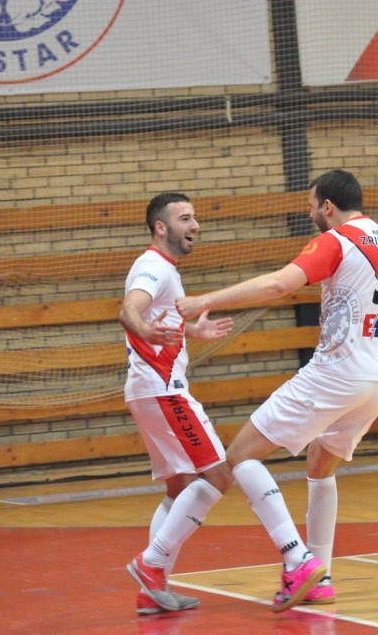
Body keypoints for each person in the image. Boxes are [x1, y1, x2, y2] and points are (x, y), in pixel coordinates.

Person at [176, 169, 378, 612]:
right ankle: (321, 575)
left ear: (328, 207)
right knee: (320, 465)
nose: (311, 213)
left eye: (312, 206)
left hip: (337, 374)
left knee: (239, 458)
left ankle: (299, 562)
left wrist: (207, 300)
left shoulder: (336, 240)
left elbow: (280, 284)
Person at [119, 192, 236, 614]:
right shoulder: (154, 266)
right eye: (185, 218)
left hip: (148, 389)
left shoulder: (164, 268)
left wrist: (191, 333)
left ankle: (152, 590)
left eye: (196, 217)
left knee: (179, 485)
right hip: (163, 390)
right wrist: (144, 331)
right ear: (160, 228)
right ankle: (151, 567)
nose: (196, 225)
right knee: (219, 476)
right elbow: (130, 309)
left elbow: (158, 319)